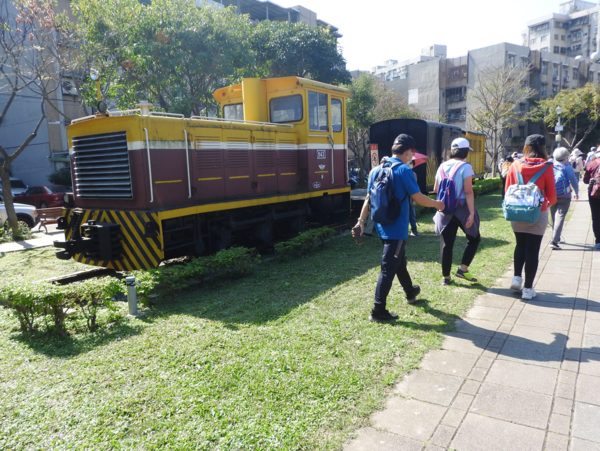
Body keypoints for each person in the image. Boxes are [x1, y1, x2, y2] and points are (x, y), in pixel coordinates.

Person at [352, 134, 444, 322]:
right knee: (388, 268)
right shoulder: (403, 171)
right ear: (408, 151)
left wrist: (361, 221)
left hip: (382, 226)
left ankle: (410, 292)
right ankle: (378, 311)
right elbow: (418, 197)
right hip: (397, 229)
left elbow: (368, 199)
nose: (412, 156)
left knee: (399, 261)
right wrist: (437, 204)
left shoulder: (375, 170)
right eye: (412, 153)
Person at [505, 134, 557, 300]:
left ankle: (516, 278)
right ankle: (528, 289)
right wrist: (543, 205)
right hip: (537, 214)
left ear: (526, 147)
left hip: (516, 212)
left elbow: (507, 190)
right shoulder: (546, 167)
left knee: (520, 244)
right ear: (543, 147)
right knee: (532, 250)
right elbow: (552, 197)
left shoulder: (515, 165)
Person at [433, 137, 481, 286]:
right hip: (462, 209)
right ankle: (463, 269)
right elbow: (468, 191)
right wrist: (471, 213)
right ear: (465, 151)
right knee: (474, 238)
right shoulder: (466, 167)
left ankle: (446, 277)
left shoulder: (442, 166)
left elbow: (435, 189)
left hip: (445, 209)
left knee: (447, 244)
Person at [549, 147, 579, 250]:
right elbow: (573, 180)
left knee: (553, 216)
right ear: (566, 157)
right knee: (560, 216)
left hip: (552, 194)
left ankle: (555, 236)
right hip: (564, 195)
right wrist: (576, 192)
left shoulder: (550, 165)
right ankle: (554, 240)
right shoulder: (567, 167)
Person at [583, 148, 600, 250]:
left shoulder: (592, 163)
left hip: (594, 193)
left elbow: (585, 180)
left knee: (596, 217)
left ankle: (598, 241)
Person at [408, 159, 419, 236]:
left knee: (412, 214)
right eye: (409, 163)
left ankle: (414, 230)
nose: (410, 165)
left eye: (411, 163)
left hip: (411, 196)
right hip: (404, 197)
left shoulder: (414, 174)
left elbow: (415, 186)